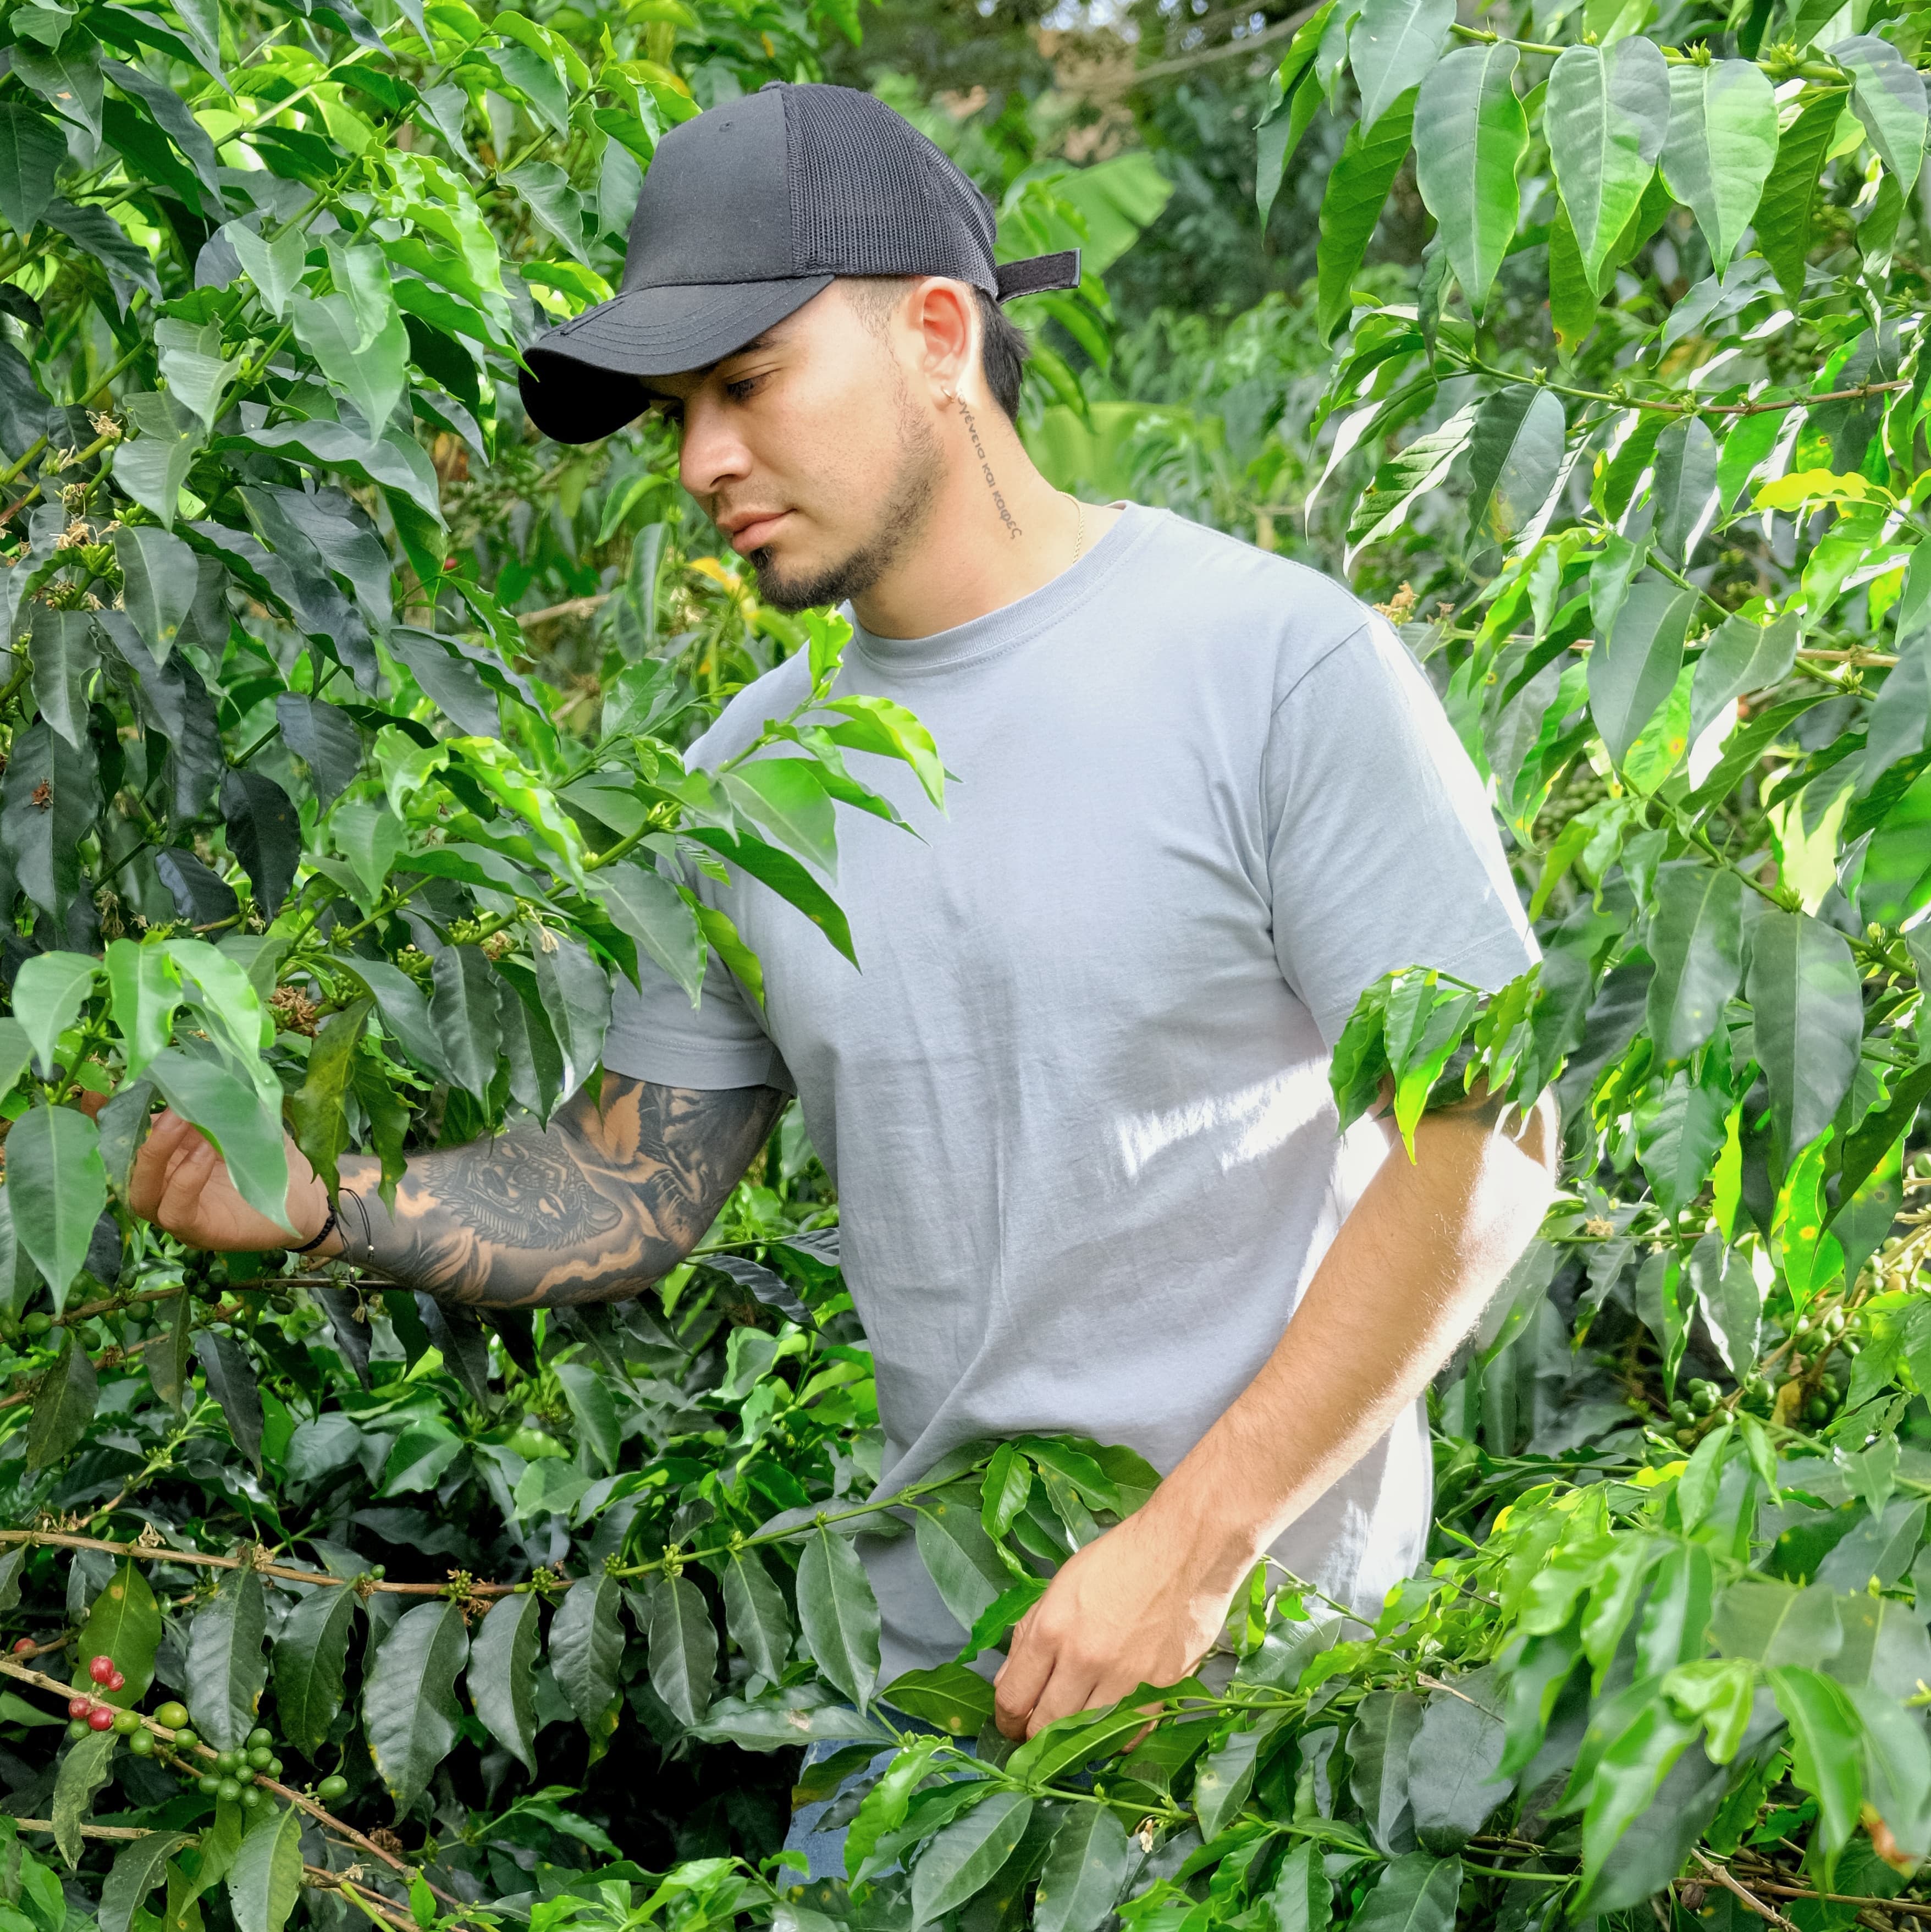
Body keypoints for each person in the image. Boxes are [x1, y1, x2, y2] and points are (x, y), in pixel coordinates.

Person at [129, 82, 1556, 1787]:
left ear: (942, 335)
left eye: (747, 383)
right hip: (919, 1711)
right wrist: (329, 1206)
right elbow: (629, 1181)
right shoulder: (748, 778)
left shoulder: (1276, 669)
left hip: (1266, 1715)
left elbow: (1488, 1139)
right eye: (676, 412)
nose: (704, 459)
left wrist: (1194, 1547)